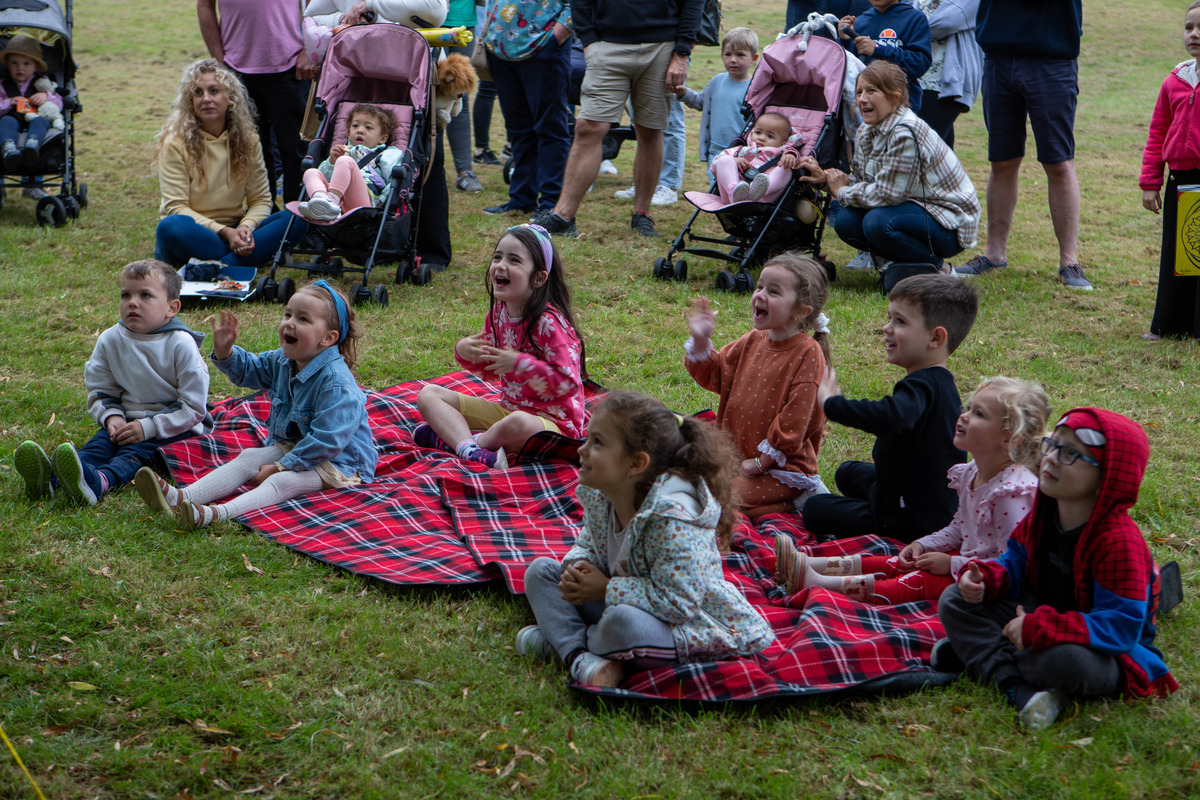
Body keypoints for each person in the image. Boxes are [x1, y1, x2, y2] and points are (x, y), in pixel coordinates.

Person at [936, 409, 1179, 732]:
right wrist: (987, 578)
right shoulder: (1043, 514)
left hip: (1100, 648)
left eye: (1069, 454)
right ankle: (1016, 687)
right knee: (954, 599)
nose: (1049, 458)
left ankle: (985, 657)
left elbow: (1120, 628)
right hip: (1042, 614)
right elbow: (1013, 565)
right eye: (1052, 445)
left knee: (1062, 662)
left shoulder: (1119, 543)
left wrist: (1040, 629)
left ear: (1107, 476)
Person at [515, 391, 775, 687]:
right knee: (540, 572)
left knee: (622, 623)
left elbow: (679, 603)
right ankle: (580, 655)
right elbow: (588, 543)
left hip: (681, 625)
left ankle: (564, 643)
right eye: (587, 439)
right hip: (615, 602)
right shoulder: (603, 495)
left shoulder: (673, 516)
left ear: (636, 464)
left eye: (597, 442)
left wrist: (607, 589)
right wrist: (579, 567)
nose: (582, 450)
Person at [778, 376, 1049, 603]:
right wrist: (923, 544)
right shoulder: (973, 472)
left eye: (978, 414)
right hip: (970, 561)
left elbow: (1011, 566)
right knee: (904, 561)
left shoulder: (1011, 495)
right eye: (968, 408)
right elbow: (959, 527)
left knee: (914, 581)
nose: (963, 416)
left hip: (987, 585)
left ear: (1009, 439)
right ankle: (813, 566)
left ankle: (821, 584)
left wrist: (952, 565)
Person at [135, 281, 376, 530]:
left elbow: (327, 442)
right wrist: (226, 352)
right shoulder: (285, 360)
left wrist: (279, 467)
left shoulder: (336, 384)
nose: (290, 323)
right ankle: (179, 498)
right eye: (288, 314)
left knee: (283, 482)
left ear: (328, 338)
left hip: (342, 463)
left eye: (303, 319)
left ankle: (212, 515)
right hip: (299, 445)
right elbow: (252, 370)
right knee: (249, 457)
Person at [13, 260, 211, 506]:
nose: (132, 302)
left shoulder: (181, 344)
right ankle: (51, 481)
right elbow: (100, 390)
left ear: (171, 308)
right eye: (125, 294)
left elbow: (193, 407)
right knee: (98, 446)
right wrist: (112, 418)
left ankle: (100, 483)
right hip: (125, 421)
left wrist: (147, 427)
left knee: (134, 455)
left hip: (172, 429)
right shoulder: (110, 340)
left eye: (145, 295)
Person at [802, 273, 977, 543]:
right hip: (928, 495)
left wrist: (832, 404)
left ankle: (879, 519)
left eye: (900, 321)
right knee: (846, 471)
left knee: (814, 510)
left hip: (911, 517)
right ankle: (878, 498)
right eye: (890, 318)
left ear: (935, 338)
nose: (886, 328)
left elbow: (891, 416)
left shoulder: (920, 385)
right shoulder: (938, 382)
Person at [414, 224, 587, 468]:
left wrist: (521, 364)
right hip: (507, 410)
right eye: (498, 257)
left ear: (539, 278)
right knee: (428, 395)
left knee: (516, 423)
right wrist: (463, 351)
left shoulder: (550, 322)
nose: (500, 265)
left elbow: (568, 384)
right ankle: (472, 449)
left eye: (514, 260)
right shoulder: (498, 313)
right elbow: (490, 369)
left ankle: (460, 441)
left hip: (552, 426)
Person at [950, 0, 1091, 290]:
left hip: (1052, 59)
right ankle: (994, 254)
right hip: (998, 56)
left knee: (1058, 162)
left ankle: (1069, 261)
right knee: (1001, 161)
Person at [534, 0, 704, 239]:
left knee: (650, 130)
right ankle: (563, 216)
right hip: (606, 45)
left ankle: (642, 214)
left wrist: (682, 51)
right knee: (588, 127)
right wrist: (589, 41)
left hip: (662, 46)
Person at [685, 253, 831, 518]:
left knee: (715, 497)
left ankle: (799, 497)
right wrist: (700, 340)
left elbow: (796, 419)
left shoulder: (808, 352)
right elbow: (718, 374)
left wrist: (763, 461)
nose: (760, 295)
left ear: (801, 311)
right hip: (737, 460)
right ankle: (771, 507)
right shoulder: (753, 339)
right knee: (685, 480)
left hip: (781, 470)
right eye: (760, 286)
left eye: (773, 291)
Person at [799, 61, 979, 270]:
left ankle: (940, 270)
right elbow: (867, 182)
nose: (862, 99)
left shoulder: (906, 132)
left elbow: (886, 195)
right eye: (858, 92)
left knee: (876, 223)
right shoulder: (866, 130)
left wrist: (842, 192)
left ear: (895, 98)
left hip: (949, 223)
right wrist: (826, 180)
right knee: (846, 221)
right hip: (911, 208)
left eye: (871, 91)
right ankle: (903, 268)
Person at [153, 59, 307, 268]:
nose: (206, 98)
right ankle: (238, 260)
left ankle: (223, 264)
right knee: (170, 227)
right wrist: (225, 233)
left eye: (214, 91)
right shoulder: (175, 142)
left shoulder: (248, 139)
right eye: (198, 93)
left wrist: (245, 228)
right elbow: (176, 207)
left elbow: (261, 200)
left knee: (297, 218)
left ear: (230, 98)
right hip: (196, 232)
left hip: (236, 227)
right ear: (190, 101)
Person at [198, 0, 315, 204]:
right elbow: (204, 6)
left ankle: (297, 223)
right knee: (251, 151)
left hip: (291, 67)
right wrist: (218, 59)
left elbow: (316, 5)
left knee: (297, 150)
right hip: (237, 69)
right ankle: (262, 218)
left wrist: (308, 50)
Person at [1140, 1, 1200, 341]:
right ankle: (1169, 324)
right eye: (1189, 27)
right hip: (1181, 180)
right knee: (1179, 256)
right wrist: (1151, 182)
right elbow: (1157, 133)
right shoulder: (1174, 81)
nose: (1195, 34)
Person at [479, 0, 573, 217]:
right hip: (502, 51)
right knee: (518, 128)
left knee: (550, 127)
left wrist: (557, 35)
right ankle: (522, 198)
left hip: (543, 47)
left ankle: (551, 203)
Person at [295, 103, 403, 221]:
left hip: (365, 204)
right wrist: (331, 162)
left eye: (368, 127)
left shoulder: (389, 154)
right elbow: (324, 178)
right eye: (355, 126)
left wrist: (383, 201)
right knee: (311, 172)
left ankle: (331, 202)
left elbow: (394, 180)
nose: (360, 130)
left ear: (382, 138)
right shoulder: (342, 150)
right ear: (348, 131)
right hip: (339, 201)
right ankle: (320, 201)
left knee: (345, 161)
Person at [676, 27, 759, 165]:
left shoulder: (755, 88)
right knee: (715, 184)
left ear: (753, 58)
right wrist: (685, 94)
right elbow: (700, 102)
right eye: (728, 54)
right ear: (722, 56)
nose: (733, 60)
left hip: (741, 151)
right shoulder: (717, 81)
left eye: (740, 55)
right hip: (715, 149)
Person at [838, 0, 931, 115]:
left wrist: (878, 50)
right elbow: (848, 68)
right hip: (864, 110)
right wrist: (844, 40)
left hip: (901, 107)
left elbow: (919, 63)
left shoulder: (914, 18)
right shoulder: (860, 22)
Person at [913, 0, 982, 149]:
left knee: (921, 148)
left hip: (945, 83)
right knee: (940, 154)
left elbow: (946, 22)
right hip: (916, 79)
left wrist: (907, 28)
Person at [0, 35, 63, 174]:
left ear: (36, 67)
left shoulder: (43, 83)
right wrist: (8, 103)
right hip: (12, 121)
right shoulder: (3, 85)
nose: (19, 68)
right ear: (7, 65)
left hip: (35, 120)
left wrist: (46, 96)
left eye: (26, 64)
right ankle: (9, 149)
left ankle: (32, 145)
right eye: (14, 63)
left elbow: (59, 104)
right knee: (6, 120)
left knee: (41, 121)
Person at [708, 112, 801, 204]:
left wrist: (790, 156)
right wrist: (733, 161)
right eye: (758, 132)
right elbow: (715, 164)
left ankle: (758, 191)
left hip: (762, 198)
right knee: (724, 159)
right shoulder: (740, 150)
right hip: (730, 197)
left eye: (770, 136)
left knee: (786, 168)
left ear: (782, 143)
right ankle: (734, 190)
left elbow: (795, 160)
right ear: (752, 133)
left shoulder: (782, 154)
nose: (761, 138)